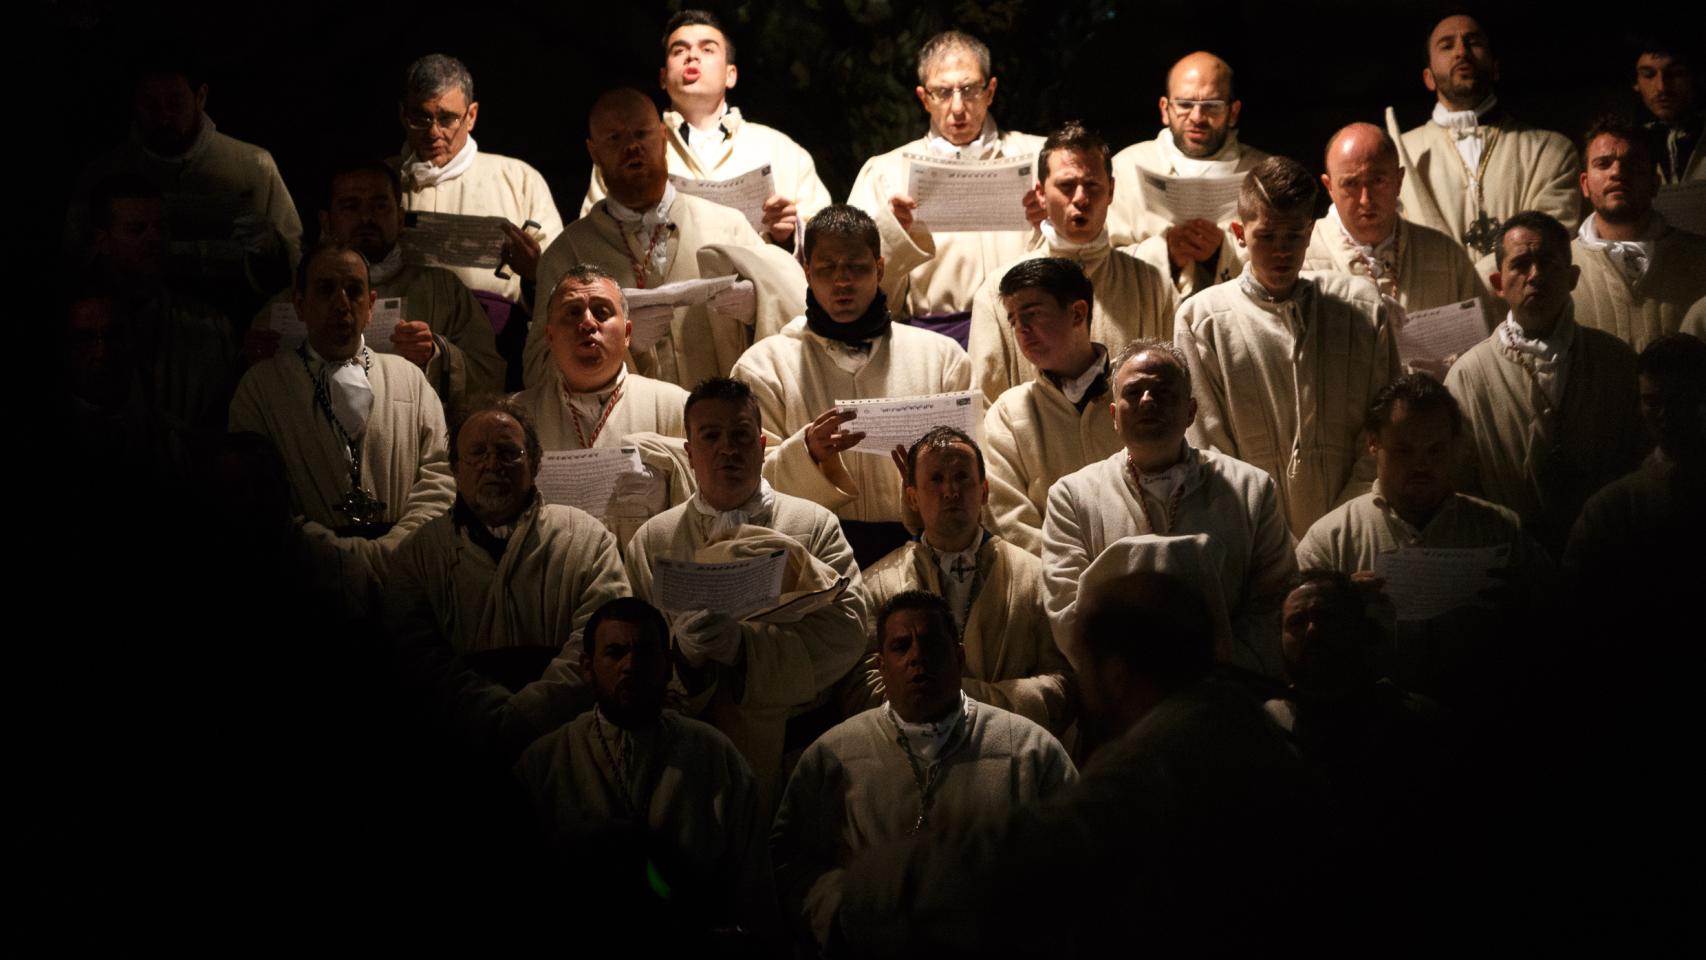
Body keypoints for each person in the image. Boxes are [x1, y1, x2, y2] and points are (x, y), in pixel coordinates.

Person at [833, 572, 1319, 957]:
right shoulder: (1239, 723)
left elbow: (1047, 849)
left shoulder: (1166, 758)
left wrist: (876, 885)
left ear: (1115, 672)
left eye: (1081, 664)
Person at [772, 591, 1075, 952]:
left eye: (931, 643)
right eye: (901, 646)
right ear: (881, 666)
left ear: (959, 657)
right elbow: (788, 864)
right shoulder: (833, 755)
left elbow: (1079, 861)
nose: (917, 656)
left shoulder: (1027, 749)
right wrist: (848, 910)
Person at [623, 377, 868, 808]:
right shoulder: (653, 541)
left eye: (739, 435)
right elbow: (634, 649)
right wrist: (684, 658)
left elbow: (848, 630)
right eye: (710, 436)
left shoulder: (813, 525)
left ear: (762, 443)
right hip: (688, 757)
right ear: (689, 452)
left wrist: (745, 649)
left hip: (797, 750)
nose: (726, 448)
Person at [514, 597, 775, 943]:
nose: (630, 665)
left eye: (646, 652)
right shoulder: (546, 763)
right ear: (587, 667)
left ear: (667, 666)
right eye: (615, 652)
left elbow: (753, 893)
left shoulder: (713, 757)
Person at [731, 204, 970, 567]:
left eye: (856, 267)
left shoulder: (941, 356)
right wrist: (806, 453)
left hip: (925, 552)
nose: (842, 281)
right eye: (827, 268)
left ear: (880, 267)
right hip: (812, 556)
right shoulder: (764, 366)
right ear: (807, 271)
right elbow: (744, 481)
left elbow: (973, 466)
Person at [1043, 339, 1295, 679]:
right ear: (1114, 416)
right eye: (1134, 392)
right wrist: (1134, 683)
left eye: (1163, 391)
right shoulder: (1072, 496)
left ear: (1191, 411)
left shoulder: (1251, 489)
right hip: (1123, 699)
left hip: (1226, 690)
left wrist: (1216, 673)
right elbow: (1067, 611)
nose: (1148, 400)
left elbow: (1273, 601)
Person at [1175, 156, 1399, 538]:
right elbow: (1208, 446)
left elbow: (1382, 432)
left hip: (1354, 530)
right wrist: (1272, 539)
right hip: (1252, 536)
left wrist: (1339, 530)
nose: (1281, 251)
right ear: (1239, 232)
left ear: (1310, 232)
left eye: (1293, 235)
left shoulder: (1360, 308)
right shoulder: (1202, 320)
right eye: (1266, 236)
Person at [386, 396, 631, 742]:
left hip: (569, 745)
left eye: (507, 452)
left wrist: (531, 713)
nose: (492, 465)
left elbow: (603, 638)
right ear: (455, 469)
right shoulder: (418, 555)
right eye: (477, 453)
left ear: (533, 464)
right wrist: (488, 716)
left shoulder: (588, 540)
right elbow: (415, 655)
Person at [531, 87, 803, 389]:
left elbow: (795, 324)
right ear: (593, 153)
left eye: (641, 133)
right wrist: (616, 344)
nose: (631, 146)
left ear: (663, 137)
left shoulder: (727, 225)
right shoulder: (568, 254)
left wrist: (758, 309)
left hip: (725, 426)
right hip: (628, 430)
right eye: (614, 138)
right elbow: (539, 369)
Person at [1295, 374, 1550, 694]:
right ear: (1373, 443)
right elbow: (1291, 642)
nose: (1421, 465)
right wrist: (1339, 609)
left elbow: (1558, 622)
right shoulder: (1330, 539)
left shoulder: (1501, 530)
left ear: (1454, 444)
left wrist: (1521, 603)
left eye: (1435, 450)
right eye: (1404, 450)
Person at [229, 241, 456, 583]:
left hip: (407, 571)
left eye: (354, 290)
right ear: (300, 304)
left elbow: (440, 473)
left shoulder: (408, 377)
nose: (341, 304)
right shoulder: (261, 387)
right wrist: (329, 554)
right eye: (326, 290)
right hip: (308, 575)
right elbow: (254, 492)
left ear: (371, 306)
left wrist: (398, 548)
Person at [1445, 211, 1649, 554]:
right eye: (1521, 264)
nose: (1535, 275)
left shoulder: (1616, 362)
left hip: (1608, 554)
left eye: (1547, 262)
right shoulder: (1469, 377)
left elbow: (1639, 463)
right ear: (1497, 284)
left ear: (1572, 277)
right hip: (1508, 562)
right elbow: (1458, 488)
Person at [853, 428, 1075, 735]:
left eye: (961, 477)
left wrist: (954, 700)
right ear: (912, 497)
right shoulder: (876, 584)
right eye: (936, 479)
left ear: (983, 491)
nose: (951, 491)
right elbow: (862, 688)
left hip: (1009, 746)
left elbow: (1062, 682)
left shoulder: (1034, 576)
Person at [249, 160, 504, 417]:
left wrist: (436, 356)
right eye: (351, 206)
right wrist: (254, 361)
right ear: (326, 221)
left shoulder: (443, 289)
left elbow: (491, 377)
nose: (366, 218)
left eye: (380, 205)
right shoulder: (297, 299)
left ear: (401, 218)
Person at [67, 55, 302, 321]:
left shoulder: (253, 165)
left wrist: (270, 250)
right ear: (134, 103)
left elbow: (295, 258)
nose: (164, 117)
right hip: (130, 324)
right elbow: (75, 259)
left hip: (238, 320)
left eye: (175, 103)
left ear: (200, 97)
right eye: (151, 105)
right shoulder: (105, 172)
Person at [845, 31, 1044, 339]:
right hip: (936, 337)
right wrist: (892, 233)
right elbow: (851, 276)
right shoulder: (885, 172)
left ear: (990, 91)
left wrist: (1050, 222)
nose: (958, 107)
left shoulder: (1038, 159)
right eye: (942, 92)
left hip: (1028, 332)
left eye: (969, 89)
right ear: (924, 98)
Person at [578, 8, 831, 249]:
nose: (692, 56)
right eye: (679, 50)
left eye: (707, 49)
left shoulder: (782, 151)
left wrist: (788, 236)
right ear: (663, 77)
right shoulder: (629, 153)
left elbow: (828, 242)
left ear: (730, 74)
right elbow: (594, 234)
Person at [967, 123, 1176, 403]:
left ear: (1111, 190)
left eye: (1092, 185)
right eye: (1066, 186)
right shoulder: (997, 291)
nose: (1081, 198)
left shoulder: (1150, 284)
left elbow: (1173, 384)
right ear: (1041, 193)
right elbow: (986, 403)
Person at [1305, 122, 1490, 372]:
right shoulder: (1303, 255)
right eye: (1350, 184)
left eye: (1378, 180)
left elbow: (1482, 356)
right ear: (1329, 186)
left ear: (1399, 179)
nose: (1365, 199)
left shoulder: (1445, 255)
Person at [1396, 14, 1581, 260]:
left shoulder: (1551, 151)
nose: (1461, 52)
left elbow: (1548, 243)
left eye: (1473, 42)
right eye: (1447, 45)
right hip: (1434, 298)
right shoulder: (1400, 153)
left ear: (1495, 68)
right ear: (1428, 78)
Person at [84, 174, 235, 469]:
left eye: (161, 228)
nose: (153, 239)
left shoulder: (211, 328)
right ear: (103, 240)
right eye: (136, 229)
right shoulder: (79, 327)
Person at [394, 54, 562, 315]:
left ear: (471, 116)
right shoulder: (379, 183)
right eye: (421, 118)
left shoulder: (518, 179)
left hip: (495, 333)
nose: (433, 132)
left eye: (447, 119)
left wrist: (534, 271)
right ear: (403, 114)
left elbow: (560, 278)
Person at [980, 258, 1121, 552]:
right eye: (1013, 319)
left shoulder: (1134, 394)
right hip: (1054, 583)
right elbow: (1008, 520)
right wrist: (1068, 571)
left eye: (1032, 314)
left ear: (1078, 313)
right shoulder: (1007, 413)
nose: (1021, 329)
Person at [1107, 51, 1270, 291]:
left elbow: (1286, 258)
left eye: (1211, 106)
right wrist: (1166, 252)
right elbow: (1102, 261)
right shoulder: (1126, 167)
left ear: (1233, 112)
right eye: (1184, 104)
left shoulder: (1264, 174)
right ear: (1165, 109)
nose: (1197, 117)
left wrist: (1221, 254)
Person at [1565, 333, 1706, 588]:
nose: (1665, 415)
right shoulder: (1612, 508)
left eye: (1678, 401)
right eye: (1652, 403)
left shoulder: (1614, 506)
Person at [1569, 115, 1706, 351]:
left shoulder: (1698, 259)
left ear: (1655, 182)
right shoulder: (1561, 268)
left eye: (1632, 163)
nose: (1617, 172)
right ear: (1584, 184)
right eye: (1603, 164)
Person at [1633, 42, 1702, 184]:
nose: (1662, 87)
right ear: (1636, 83)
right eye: (1649, 75)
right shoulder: (1630, 141)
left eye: (1676, 74)